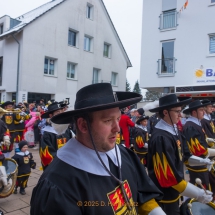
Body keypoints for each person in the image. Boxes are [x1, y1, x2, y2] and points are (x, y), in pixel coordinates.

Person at [31, 83, 166, 215]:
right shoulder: (58, 185)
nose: (117, 128)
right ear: (83, 125)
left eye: (118, 119)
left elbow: (143, 195)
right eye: (108, 120)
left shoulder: (124, 154)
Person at [147, 94, 213, 215]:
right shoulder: (160, 137)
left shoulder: (174, 130)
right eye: (177, 111)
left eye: (180, 111)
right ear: (165, 112)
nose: (180, 115)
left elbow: (185, 157)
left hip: (175, 190)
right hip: (165, 195)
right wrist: (199, 194)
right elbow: (168, 178)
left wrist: (203, 161)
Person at [183, 100, 215, 201]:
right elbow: (197, 150)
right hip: (197, 163)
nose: (204, 112)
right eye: (201, 110)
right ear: (194, 112)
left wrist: (210, 141)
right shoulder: (190, 126)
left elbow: (201, 140)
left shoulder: (196, 123)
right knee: (202, 186)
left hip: (202, 162)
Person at [39, 102, 73, 170]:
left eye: (61, 112)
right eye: (58, 112)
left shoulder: (67, 130)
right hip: (56, 168)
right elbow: (46, 156)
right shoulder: (47, 134)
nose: (61, 114)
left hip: (69, 165)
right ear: (51, 116)